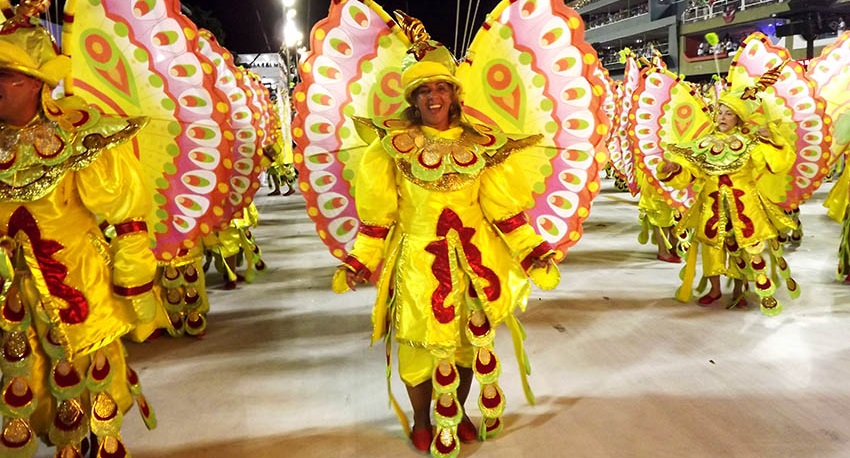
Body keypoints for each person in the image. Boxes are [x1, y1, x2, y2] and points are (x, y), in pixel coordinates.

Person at [332, 13, 558, 458]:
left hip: (475, 265)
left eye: (441, 88)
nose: (434, 96)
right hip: (418, 263)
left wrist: (532, 252)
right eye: (424, 90)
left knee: (467, 347)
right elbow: (379, 214)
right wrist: (361, 259)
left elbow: (503, 208)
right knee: (419, 349)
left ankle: (458, 412)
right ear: (413, 100)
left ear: (454, 95)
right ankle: (421, 419)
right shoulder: (388, 148)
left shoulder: (481, 144)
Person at [0, 5, 158, 457]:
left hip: (80, 289)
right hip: (15, 302)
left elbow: (126, 214)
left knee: (95, 389)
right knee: (29, 388)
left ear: (36, 82)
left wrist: (133, 277)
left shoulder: (76, 136)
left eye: (5, 75)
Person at [658, 74, 799, 315]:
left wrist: (770, 138)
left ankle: (738, 290)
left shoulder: (750, 143)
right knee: (712, 248)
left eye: (728, 113)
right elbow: (692, 173)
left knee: (745, 248)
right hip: (711, 206)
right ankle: (714, 290)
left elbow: (776, 164)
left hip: (745, 205)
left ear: (738, 118)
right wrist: (676, 169)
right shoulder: (703, 143)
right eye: (720, 112)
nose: (722, 117)